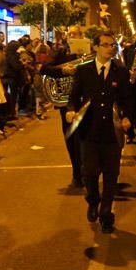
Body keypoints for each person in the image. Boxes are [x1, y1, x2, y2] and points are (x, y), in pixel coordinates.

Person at [66, 31, 132, 233]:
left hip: (112, 132)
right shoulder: (83, 70)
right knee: (90, 173)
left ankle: (106, 213)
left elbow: (127, 99)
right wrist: (70, 110)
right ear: (95, 47)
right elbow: (74, 95)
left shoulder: (120, 72)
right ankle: (93, 200)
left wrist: (127, 117)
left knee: (112, 175)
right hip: (89, 131)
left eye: (112, 45)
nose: (110, 48)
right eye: (105, 45)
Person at [41, 25, 86, 189]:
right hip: (67, 103)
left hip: (86, 101)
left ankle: (86, 171)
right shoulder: (60, 52)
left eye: (76, 34)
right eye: (70, 34)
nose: (72, 36)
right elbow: (44, 69)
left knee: (86, 139)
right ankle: (77, 174)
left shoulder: (88, 52)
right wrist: (63, 71)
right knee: (71, 139)